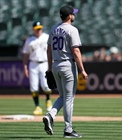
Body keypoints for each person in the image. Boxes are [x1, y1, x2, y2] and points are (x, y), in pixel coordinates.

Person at [42, 5, 88, 138]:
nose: (74, 15)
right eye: (73, 13)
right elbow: (76, 51)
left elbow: (49, 49)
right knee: (69, 98)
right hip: (67, 64)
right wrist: (82, 70)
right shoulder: (72, 30)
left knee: (62, 97)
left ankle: (50, 115)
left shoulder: (54, 28)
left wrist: (50, 68)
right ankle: (68, 129)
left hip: (56, 64)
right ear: (69, 16)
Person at [22, 21, 52, 115]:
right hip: (33, 64)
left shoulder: (46, 37)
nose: (39, 30)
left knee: (46, 85)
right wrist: (25, 66)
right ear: (33, 29)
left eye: (40, 28)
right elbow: (26, 55)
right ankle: (37, 106)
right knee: (34, 86)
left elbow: (51, 51)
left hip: (45, 63)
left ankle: (48, 100)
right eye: (37, 29)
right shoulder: (29, 40)